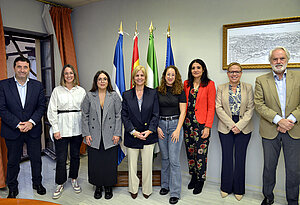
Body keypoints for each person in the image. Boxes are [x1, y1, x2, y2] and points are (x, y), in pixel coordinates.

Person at [254, 47, 300, 205]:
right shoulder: (261, 79)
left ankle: (293, 201)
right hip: (270, 130)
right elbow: (259, 105)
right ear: (270, 61)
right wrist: (278, 120)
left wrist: (290, 121)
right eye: (275, 59)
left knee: (294, 170)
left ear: (287, 60)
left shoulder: (299, 76)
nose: (278, 62)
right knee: (269, 168)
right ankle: (268, 197)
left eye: (282, 59)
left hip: (294, 130)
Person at [0, 56, 46, 198]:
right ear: (14, 68)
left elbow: (41, 107)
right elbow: (1, 108)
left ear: (29, 69)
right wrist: (17, 124)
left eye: (25, 67)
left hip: (33, 129)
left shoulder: (37, 85)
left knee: (36, 159)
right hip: (12, 130)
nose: (22, 70)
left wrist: (31, 122)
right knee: (13, 161)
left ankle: (37, 183)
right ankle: (13, 187)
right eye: (19, 67)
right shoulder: (3, 85)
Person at [215, 62, 254, 201]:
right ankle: (225, 187)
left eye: (237, 72)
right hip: (225, 126)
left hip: (244, 127)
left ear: (241, 73)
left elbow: (250, 109)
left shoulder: (248, 88)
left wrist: (240, 126)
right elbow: (218, 108)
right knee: (226, 157)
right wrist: (232, 125)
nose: (234, 74)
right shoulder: (221, 88)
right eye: (231, 71)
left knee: (240, 157)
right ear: (227, 73)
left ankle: (239, 189)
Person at [47, 64, 86, 199]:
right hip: (61, 130)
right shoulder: (57, 91)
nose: (69, 76)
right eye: (66, 73)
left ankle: (74, 178)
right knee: (61, 158)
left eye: (71, 73)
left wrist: (85, 130)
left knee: (75, 156)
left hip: (77, 128)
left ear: (74, 75)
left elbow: (85, 111)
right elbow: (51, 110)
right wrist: (56, 129)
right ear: (63, 76)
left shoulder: (81, 91)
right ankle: (60, 183)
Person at [81, 70, 122, 200]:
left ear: (108, 81)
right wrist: (86, 133)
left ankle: (109, 186)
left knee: (109, 162)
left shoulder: (114, 96)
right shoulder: (89, 96)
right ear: (96, 81)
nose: (102, 81)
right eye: (100, 79)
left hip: (110, 135)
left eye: (105, 79)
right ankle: (98, 186)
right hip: (94, 135)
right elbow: (84, 115)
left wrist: (117, 133)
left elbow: (118, 116)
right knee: (96, 162)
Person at [122, 65, 159, 199]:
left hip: (148, 135)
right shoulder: (126, 94)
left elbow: (156, 114)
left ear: (145, 77)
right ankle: (133, 188)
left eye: (142, 75)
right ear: (133, 78)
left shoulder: (153, 93)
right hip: (133, 135)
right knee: (132, 165)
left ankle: (147, 189)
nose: (139, 77)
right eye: (137, 75)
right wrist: (133, 132)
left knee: (148, 164)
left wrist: (149, 130)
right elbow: (124, 116)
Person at [183, 59, 216, 195]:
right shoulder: (186, 84)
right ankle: (194, 177)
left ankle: (201, 180)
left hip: (202, 124)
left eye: (198, 67)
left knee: (201, 154)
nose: (195, 70)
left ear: (203, 69)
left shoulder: (209, 84)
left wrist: (208, 126)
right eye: (193, 68)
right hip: (187, 124)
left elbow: (211, 107)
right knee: (190, 152)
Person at [157, 65, 186, 204]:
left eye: (173, 75)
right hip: (161, 125)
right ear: (164, 76)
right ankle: (165, 185)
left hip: (175, 125)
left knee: (174, 160)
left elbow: (183, 112)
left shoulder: (180, 91)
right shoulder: (158, 91)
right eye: (168, 74)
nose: (170, 77)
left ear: (176, 77)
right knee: (165, 158)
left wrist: (178, 129)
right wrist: (157, 127)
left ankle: (175, 192)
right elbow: (154, 111)